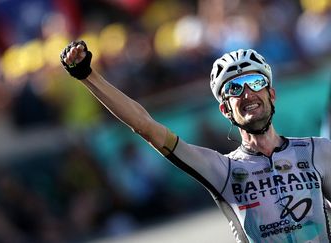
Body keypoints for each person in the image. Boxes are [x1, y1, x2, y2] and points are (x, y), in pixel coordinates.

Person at [60, 40, 331, 242]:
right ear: (225, 110)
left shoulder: (318, 151)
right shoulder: (222, 170)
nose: (247, 93)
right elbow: (145, 126)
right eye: (234, 88)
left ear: (271, 94)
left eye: (254, 82)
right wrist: (87, 75)